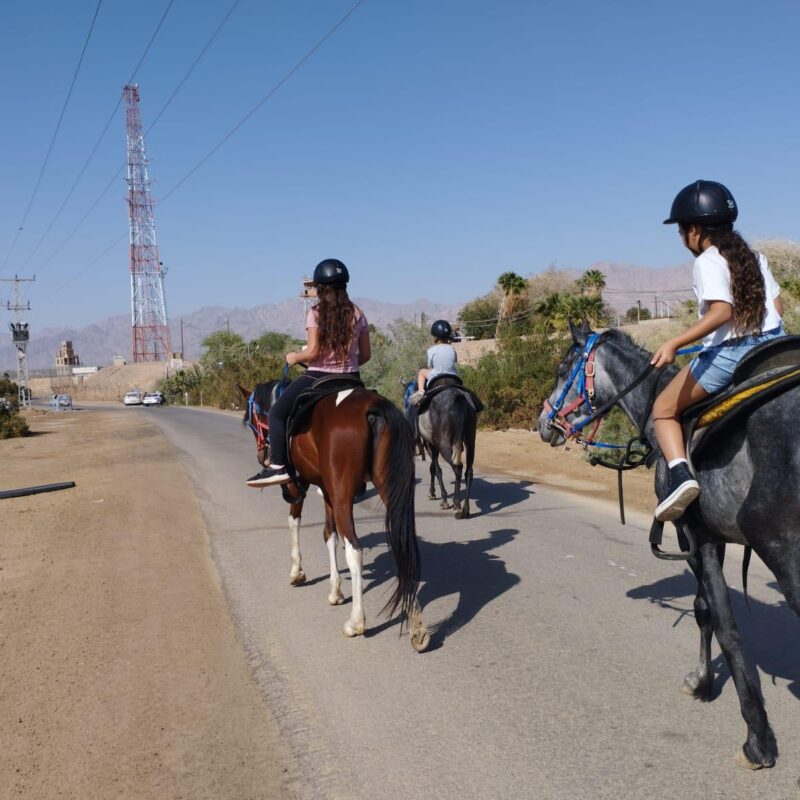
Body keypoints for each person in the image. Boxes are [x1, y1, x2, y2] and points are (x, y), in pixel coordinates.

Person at [651, 180, 784, 521]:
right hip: (777, 345)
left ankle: (680, 478)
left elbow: (721, 311)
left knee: (663, 409)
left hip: (733, 354)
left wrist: (675, 343)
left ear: (694, 229)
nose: (682, 238)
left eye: (682, 230)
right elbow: (778, 309)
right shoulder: (755, 257)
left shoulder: (708, 260)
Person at [246, 258, 371, 487]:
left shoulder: (316, 313)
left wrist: (294, 357)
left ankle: (278, 466)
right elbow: (366, 355)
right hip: (352, 378)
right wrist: (347, 364)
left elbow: (313, 352)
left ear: (321, 288)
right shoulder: (358, 313)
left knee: (277, 413)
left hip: (318, 377)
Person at [408, 319, 459, 405]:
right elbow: (455, 360)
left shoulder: (431, 350)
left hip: (437, 375)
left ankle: (421, 392)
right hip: (453, 375)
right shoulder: (452, 348)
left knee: (421, 372)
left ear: (435, 337)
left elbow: (430, 366)